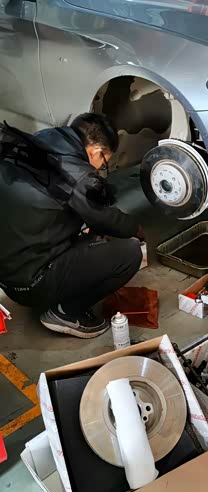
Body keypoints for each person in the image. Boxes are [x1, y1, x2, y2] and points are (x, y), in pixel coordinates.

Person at [0, 113, 142, 338]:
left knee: (92, 236)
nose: (100, 168)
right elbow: (105, 218)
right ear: (96, 151)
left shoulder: (44, 139)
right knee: (130, 253)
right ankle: (66, 312)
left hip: (9, 275)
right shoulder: (77, 174)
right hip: (33, 283)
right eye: (104, 162)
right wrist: (135, 228)